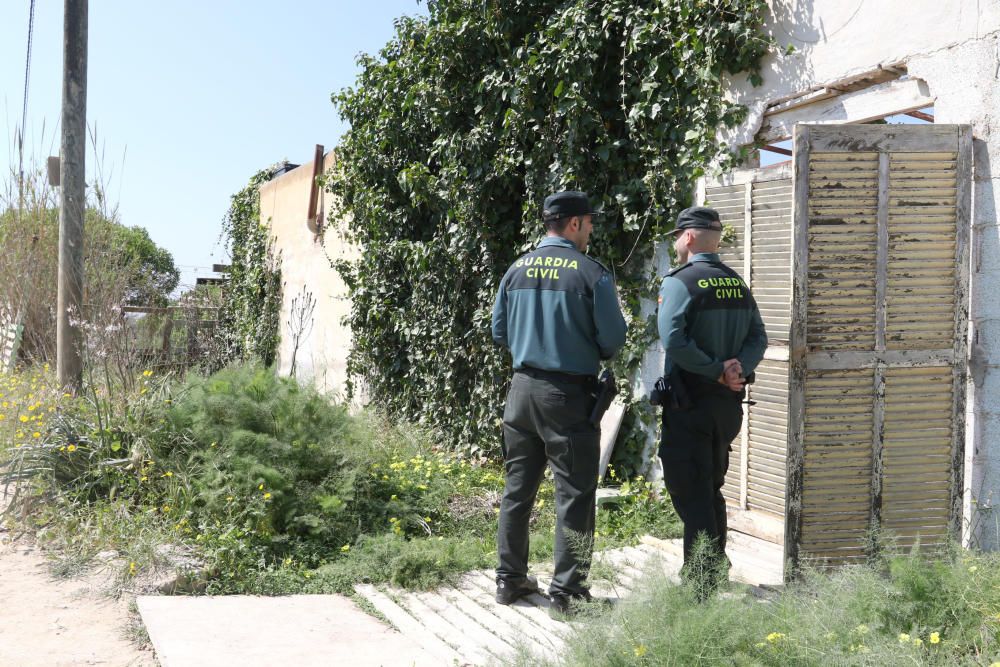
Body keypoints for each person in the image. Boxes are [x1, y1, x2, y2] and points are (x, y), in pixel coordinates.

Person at [491, 190, 627, 619]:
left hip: (521, 390)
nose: (590, 230)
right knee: (573, 494)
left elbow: (499, 332)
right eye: (589, 222)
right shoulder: (590, 274)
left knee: (517, 490)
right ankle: (567, 593)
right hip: (567, 397)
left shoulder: (516, 269)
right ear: (573, 224)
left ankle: (509, 580)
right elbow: (612, 341)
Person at [656, 206, 767, 594]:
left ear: (688, 237)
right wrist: (737, 370)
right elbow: (758, 338)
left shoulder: (680, 282)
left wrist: (715, 369)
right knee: (710, 486)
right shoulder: (736, 283)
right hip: (727, 405)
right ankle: (714, 568)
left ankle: (700, 580)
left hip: (692, 402)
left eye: (676, 236)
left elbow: (673, 340)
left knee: (689, 487)